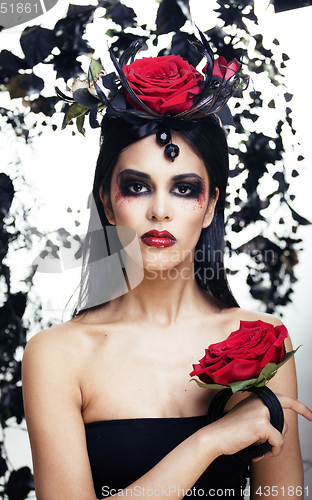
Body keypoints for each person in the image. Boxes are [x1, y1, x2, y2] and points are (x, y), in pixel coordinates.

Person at [22, 36, 312, 500]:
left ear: (212, 205)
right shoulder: (57, 356)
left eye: (184, 189)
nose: (159, 211)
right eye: (137, 187)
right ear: (107, 203)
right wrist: (208, 442)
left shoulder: (261, 341)